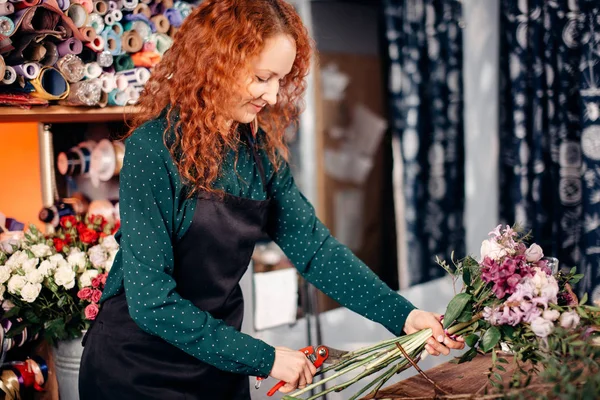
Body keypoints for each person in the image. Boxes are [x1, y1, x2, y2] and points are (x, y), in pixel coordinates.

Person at [78, 0, 465, 398]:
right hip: (137, 368)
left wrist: (404, 316)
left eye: (281, 79)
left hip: (216, 364)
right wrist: (264, 357)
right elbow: (151, 302)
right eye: (263, 77)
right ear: (217, 64)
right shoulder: (153, 150)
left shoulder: (259, 150)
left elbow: (316, 251)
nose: (274, 94)